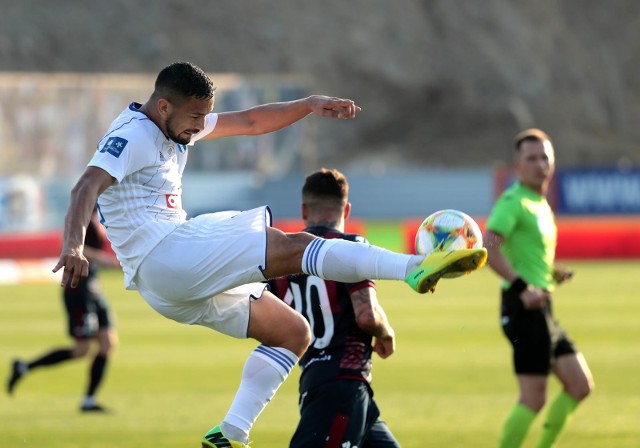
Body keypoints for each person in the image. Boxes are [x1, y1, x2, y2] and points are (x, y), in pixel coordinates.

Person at [52, 61, 486, 448]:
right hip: (166, 254)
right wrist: (73, 245)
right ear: (164, 107)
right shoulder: (133, 136)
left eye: (205, 116)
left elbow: (252, 121)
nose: (200, 126)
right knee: (294, 247)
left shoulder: (171, 122)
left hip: (167, 286)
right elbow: (85, 186)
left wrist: (310, 104)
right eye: (195, 117)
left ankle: (231, 432)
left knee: (293, 332)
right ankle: (414, 267)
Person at [268, 168, 400, 448]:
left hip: (316, 381)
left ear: (304, 209)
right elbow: (366, 315)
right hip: (343, 383)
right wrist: (386, 332)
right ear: (347, 209)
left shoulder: (284, 254)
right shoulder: (352, 246)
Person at [484, 128, 594, 448]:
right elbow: (489, 246)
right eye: (531, 159)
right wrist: (522, 287)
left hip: (543, 305)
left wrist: (549, 273)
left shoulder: (540, 204)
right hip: (523, 308)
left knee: (580, 385)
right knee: (533, 398)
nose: (539, 164)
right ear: (517, 166)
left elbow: (525, 253)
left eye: (545, 157)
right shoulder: (513, 201)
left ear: (553, 162)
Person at [7, 208, 119, 412]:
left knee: (108, 343)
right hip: (78, 289)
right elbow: (71, 247)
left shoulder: (97, 215)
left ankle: (89, 401)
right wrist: (102, 259)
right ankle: (24, 367)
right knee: (81, 350)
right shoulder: (80, 216)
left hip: (93, 287)